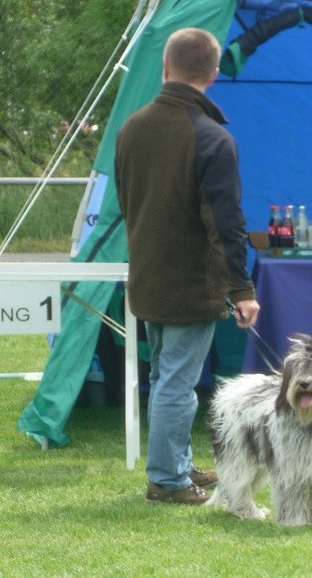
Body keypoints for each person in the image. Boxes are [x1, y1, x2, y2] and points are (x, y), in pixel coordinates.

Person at [116, 28, 260, 504]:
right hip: (188, 282)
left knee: (164, 378)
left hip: (147, 274)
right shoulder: (212, 138)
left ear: (165, 67)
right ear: (214, 75)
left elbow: (126, 201)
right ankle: (167, 480)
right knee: (176, 384)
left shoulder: (131, 127)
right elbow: (226, 222)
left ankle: (174, 465)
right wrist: (242, 287)